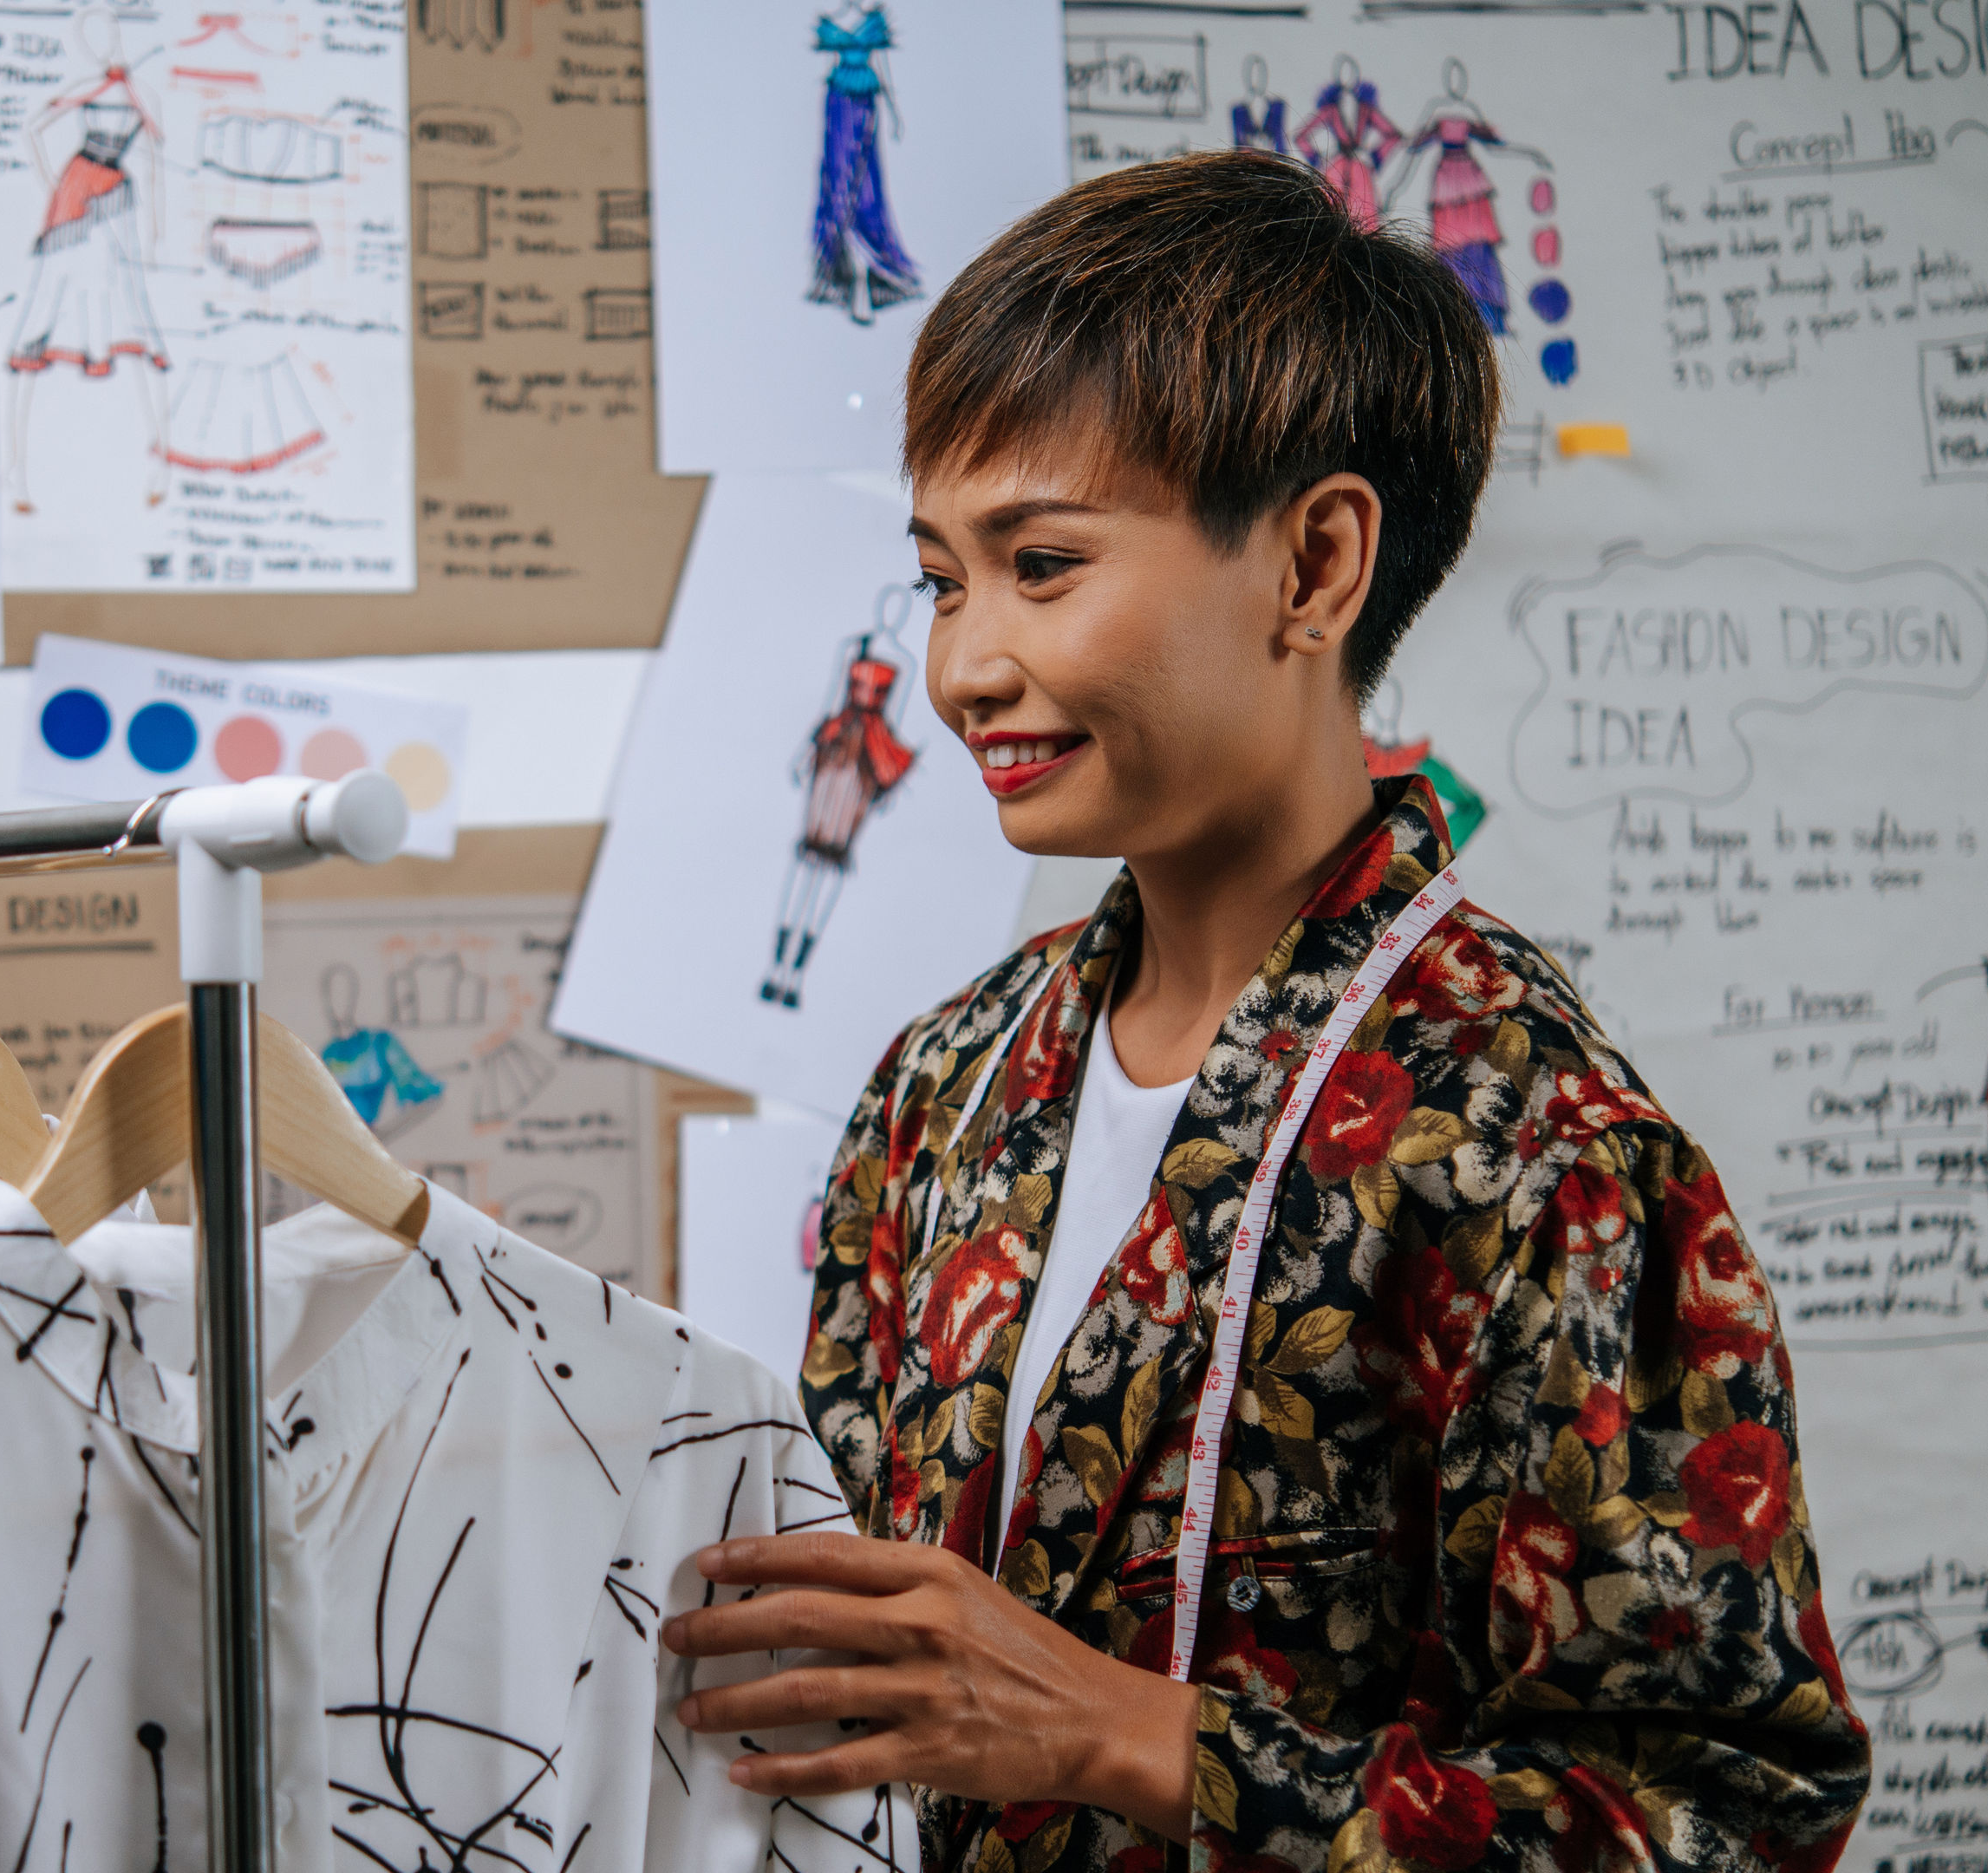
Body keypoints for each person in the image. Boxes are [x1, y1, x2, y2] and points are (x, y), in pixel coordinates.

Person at [660, 151, 1871, 1872]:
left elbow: (1727, 1816)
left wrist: (1122, 1737)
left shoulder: (1546, 1161)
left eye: (1044, 563)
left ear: (1313, 565)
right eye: (943, 577)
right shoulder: (941, 1095)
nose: (963, 665)